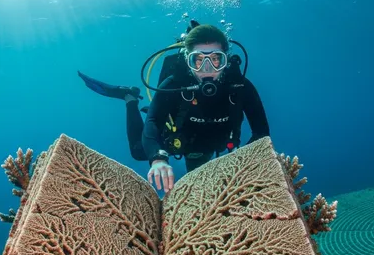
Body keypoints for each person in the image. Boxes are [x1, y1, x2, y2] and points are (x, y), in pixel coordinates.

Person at [78, 22, 270, 193]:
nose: (207, 68)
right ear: (188, 60)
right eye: (198, 60)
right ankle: (130, 98)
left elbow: (261, 131)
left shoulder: (241, 87)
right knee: (139, 151)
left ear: (226, 59)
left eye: (216, 59)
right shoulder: (173, 84)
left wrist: (242, 165)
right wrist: (157, 158)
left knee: (200, 185)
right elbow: (153, 120)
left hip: (212, 144)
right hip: (179, 136)